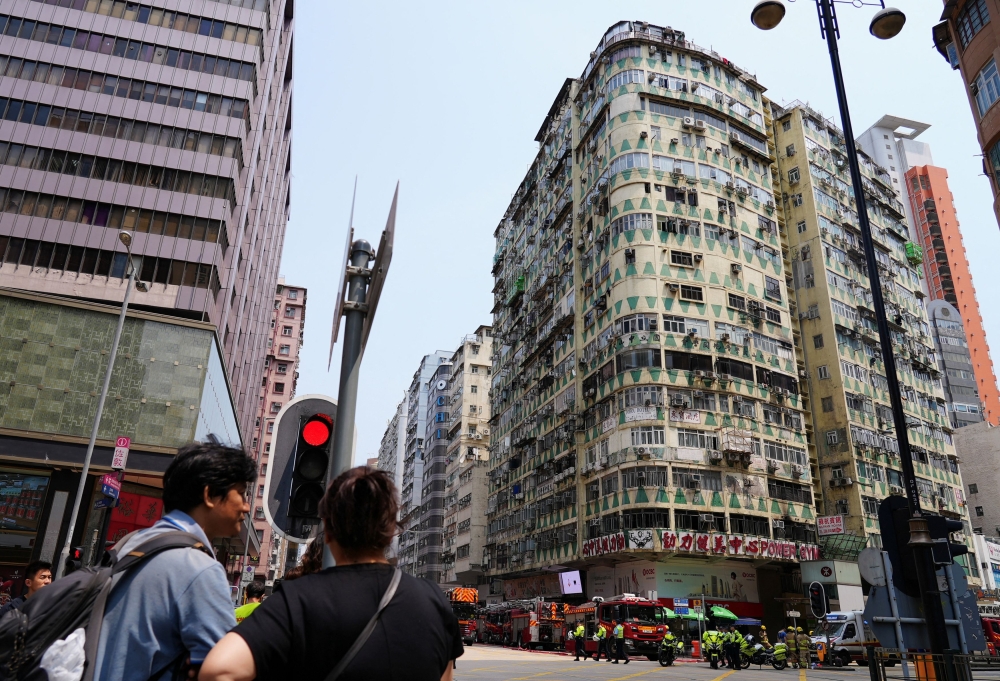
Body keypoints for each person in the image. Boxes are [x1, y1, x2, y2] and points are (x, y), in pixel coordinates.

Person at [200, 466, 464, 681]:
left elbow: (219, 670)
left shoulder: (298, 599)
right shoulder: (435, 602)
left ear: (327, 531)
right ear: (390, 530)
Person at [93, 442, 256, 681]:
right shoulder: (200, 569)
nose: (246, 505)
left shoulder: (130, 543)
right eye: (241, 493)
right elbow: (225, 673)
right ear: (209, 495)